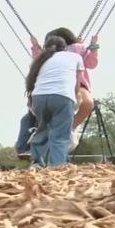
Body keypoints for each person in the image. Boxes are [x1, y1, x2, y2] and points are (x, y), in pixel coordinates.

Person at [19, 27, 98, 152]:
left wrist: (93, 46)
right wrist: (35, 46)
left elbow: (91, 63)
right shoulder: (47, 53)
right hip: (53, 87)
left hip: (78, 84)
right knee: (35, 111)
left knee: (87, 102)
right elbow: (37, 58)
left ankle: (71, 127)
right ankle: (40, 136)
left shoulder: (77, 49)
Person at [27, 35, 85, 167]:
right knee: (60, 134)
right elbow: (77, 82)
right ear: (65, 47)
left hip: (39, 97)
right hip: (62, 96)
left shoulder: (41, 59)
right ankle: (57, 166)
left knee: (42, 129)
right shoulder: (75, 57)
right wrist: (75, 98)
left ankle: (36, 162)